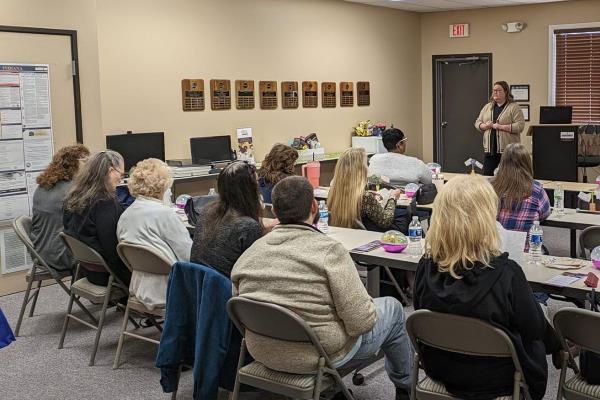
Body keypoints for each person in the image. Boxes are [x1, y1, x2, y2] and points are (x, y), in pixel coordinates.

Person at [231, 176, 413, 400]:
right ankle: (406, 387)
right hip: (320, 356)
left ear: (274, 212)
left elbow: (240, 308)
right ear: (314, 206)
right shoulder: (330, 251)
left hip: (262, 350)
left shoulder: (250, 253)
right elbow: (361, 322)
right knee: (393, 308)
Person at [413, 175, 562, 400]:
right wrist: (557, 345)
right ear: (487, 219)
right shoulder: (507, 274)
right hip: (499, 380)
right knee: (538, 322)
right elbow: (532, 329)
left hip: (441, 369)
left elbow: (421, 316)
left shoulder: (425, 268)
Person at [117, 158, 192, 310]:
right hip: (170, 290)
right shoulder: (165, 214)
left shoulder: (125, 214)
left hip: (139, 288)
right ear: (163, 185)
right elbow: (189, 256)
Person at [190, 160, 270, 277]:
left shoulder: (207, 211)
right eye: (257, 182)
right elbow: (256, 270)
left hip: (199, 284)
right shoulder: (248, 225)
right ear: (250, 190)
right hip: (226, 288)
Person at [63, 150, 131, 287]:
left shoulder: (73, 196)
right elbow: (113, 250)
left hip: (86, 269)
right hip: (107, 275)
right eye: (121, 174)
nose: (121, 179)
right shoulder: (105, 202)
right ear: (111, 171)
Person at [30, 144, 90, 275]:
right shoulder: (73, 190)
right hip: (61, 257)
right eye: (85, 161)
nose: (89, 165)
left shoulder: (42, 186)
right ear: (72, 164)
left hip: (39, 253)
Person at [328, 147, 402, 231]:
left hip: (340, 234)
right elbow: (386, 221)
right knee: (402, 217)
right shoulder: (365, 197)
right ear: (360, 169)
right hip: (362, 237)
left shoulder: (333, 191)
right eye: (366, 164)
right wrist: (393, 198)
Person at [492, 143, 551, 244]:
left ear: (502, 163)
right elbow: (545, 215)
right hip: (527, 253)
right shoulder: (537, 190)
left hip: (495, 252)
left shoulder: (491, 187)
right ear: (527, 163)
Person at [475, 80, 525, 176]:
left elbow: (520, 126)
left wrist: (501, 127)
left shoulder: (514, 107)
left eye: (498, 90)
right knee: (488, 178)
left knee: (509, 178)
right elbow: (477, 122)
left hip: (508, 152)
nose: (495, 92)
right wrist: (485, 126)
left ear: (506, 92)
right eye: (494, 90)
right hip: (490, 151)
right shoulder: (487, 107)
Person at [368, 128, 432, 186]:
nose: (405, 143)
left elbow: (371, 179)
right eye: (404, 140)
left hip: (381, 196)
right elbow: (431, 180)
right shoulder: (415, 163)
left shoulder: (374, 159)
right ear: (399, 145)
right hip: (410, 197)